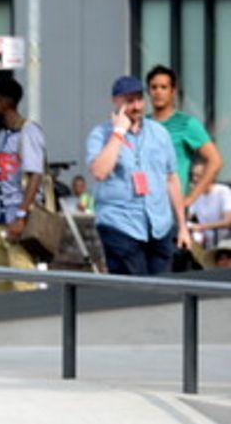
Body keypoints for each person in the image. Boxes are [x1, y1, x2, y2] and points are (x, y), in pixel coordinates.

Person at [87, 75, 191, 276]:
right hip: (120, 225)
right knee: (134, 289)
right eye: (129, 101)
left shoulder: (159, 133)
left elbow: (171, 178)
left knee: (164, 288)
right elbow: (99, 172)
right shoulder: (100, 134)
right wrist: (118, 132)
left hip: (159, 225)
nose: (136, 106)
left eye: (139, 99)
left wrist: (182, 226)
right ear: (115, 101)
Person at [0, 76, 46, 293]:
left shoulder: (28, 131)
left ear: (4, 102)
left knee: (23, 283)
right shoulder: (2, 135)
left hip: (18, 217)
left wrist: (21, 216)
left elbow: (35, 176)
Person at [146, 65, 223, 211]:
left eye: (163, 87)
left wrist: (191, 197)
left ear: (173, 91)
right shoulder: (142, 124)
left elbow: (215, 161)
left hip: (172, 206)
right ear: (148, 91)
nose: (158, 92)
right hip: (144, 206)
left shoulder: (187, 124)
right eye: (154, 87)